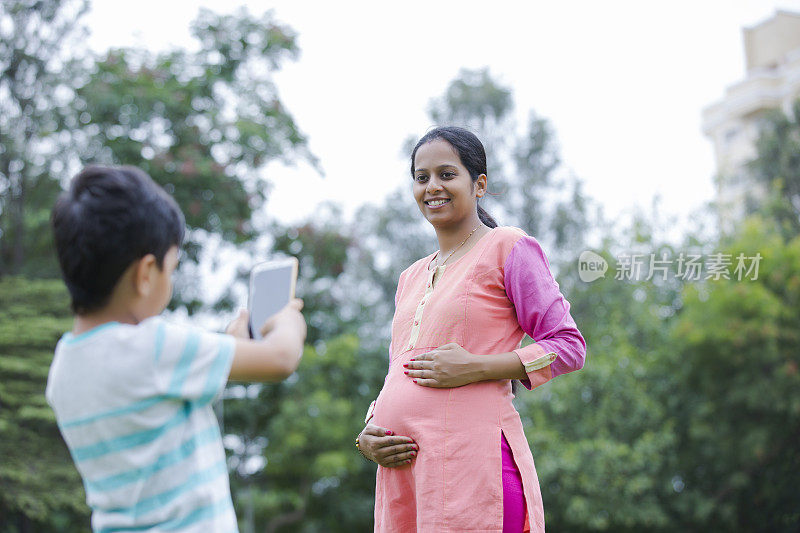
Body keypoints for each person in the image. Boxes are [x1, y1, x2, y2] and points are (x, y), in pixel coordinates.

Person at [46, 165, 307, 532]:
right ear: (146, 273)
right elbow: (281, 358)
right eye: (172, 268)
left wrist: (231, 345)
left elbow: (160, 395)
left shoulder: (63, 367)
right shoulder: (152, 346)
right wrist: (288, 323)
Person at [356, 127, 587, 532]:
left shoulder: (507, 247)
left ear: (479, 184)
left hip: (471, 468)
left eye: (447, 174)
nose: (432, 187)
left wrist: (476, 367)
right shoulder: (410, 277)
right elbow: (400, 367)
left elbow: (568, 347)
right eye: (422, 177)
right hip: (403, 478)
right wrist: (369, 431)